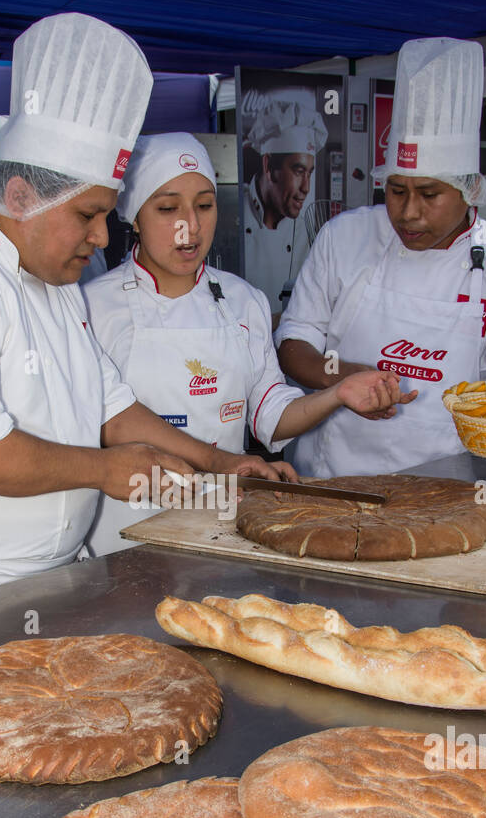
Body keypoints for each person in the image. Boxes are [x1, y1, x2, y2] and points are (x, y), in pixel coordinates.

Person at [0, 13, 286, 612]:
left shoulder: (56, 281)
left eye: (107, 213)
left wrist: (220, 461)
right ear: (20, 197)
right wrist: (105, 470)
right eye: (87, 215)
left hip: (63, 579)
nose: (102, 236)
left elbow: (109, 404)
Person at [82, 133, 410, 554]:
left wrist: (337, 394)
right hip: (126, 530)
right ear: (134, 216)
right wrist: (217, 462)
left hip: (222, 524)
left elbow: (269, 411)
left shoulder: (243, 301)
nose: (190, 226)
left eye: (204, 205)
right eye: (167, 209)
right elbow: (107, 422)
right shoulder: (93, 306)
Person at [276, 37, 486, 480]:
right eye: (395, 190)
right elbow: (294, 343)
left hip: (446, 491)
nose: (408, 213)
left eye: (429, 194)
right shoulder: (345, 237)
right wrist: (342, 376)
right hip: (329, 479)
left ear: (468, 191)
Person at [242, 88, 328, 323]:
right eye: (299, 171)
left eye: (310, 173)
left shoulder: (307, 232)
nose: (306, 188)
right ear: (269, 166)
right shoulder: (231, 215)